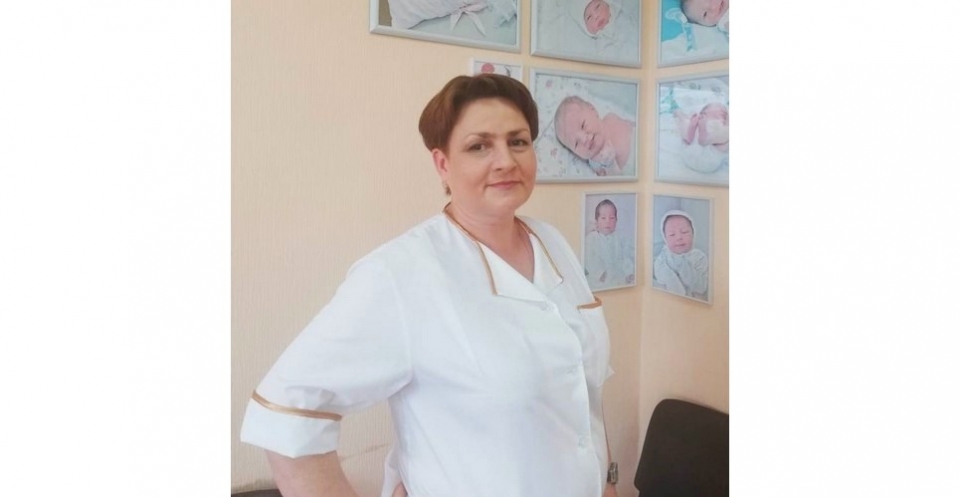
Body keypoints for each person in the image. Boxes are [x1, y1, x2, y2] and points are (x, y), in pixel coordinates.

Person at [240, 74, 619, 497]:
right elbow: (287, 410)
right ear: (443, 165)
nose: (505, 161)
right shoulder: (401, 273)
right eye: (479, 146)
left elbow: (584, 390)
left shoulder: (551, 241)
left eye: (518, 141)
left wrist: (607, 481)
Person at [553, 95, 635, 176]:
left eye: (583, 125)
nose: (584, 140)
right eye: (576, 144)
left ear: (593, 110)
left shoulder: (610, 117)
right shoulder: (597, 162)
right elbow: (616, 180)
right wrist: (611, 165)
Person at [653, 210, 708, 299]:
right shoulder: (662, 259)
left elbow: (701, 287)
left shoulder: (699, 257)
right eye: (672, 234)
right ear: (665, 239)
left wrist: (683, 266)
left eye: (684, 232)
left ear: (693, 234)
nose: (679, 237)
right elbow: (661, 279)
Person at [584, 199, 635, 289]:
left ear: (616, 221)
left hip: (618, 277)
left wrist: (629, 272)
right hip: (599, 280)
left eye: (612, 218)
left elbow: (625, 257)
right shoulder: (591, 239)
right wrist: (600, 272)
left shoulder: (620, 239)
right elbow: (589, 258)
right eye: (603, 218)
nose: (608, 221)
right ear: (596, 221)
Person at [673, 102, 728, 173]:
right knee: (725, 138)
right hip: (711, 162)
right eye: (722, 114)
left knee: (685, 122)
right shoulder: (718, 125)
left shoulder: (699, 119)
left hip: (688, 155)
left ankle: (679, 113)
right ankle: (703, 138)